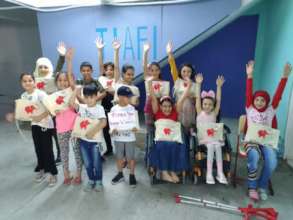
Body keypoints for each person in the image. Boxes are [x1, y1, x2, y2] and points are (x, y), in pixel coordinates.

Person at [245, 60, 292, 201]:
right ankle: (252, 186)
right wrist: (249, 76)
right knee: (253, 157)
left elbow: (278, 95)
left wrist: (284, 77)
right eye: (257, 100)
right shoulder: (250, 108)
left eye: (262, 101)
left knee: (272, 161)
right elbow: (248, 92)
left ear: (267, 102)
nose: (259, 102)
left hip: (266, 142)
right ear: (253, 101)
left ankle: (262, 186)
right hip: (251, 141)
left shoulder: (271, 110)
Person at [148, 77, 190, 183]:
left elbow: (183, 97)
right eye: (164, 106)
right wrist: (149, 83)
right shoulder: (157, 112)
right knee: (162, 145)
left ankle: (172, 171)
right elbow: (153, 98)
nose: (167, 108)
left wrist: (189, 85)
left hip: (172, 139)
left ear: (172, 106)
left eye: (169, 106)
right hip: (161, 140)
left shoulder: (175, 112)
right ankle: (164, 172)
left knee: (177, 146)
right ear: (160, 106)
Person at [69, 85, 107, 192]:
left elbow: (104, 122)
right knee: (87, 163)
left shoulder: (99, 108)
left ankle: (99, 181)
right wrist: (75, 91)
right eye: (86, 97)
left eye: (91, 97)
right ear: (83, 97)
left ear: (96, 96)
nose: (89, 100)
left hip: (96, 142)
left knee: (96, 163)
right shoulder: (82, 107)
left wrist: (92, 132)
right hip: (83, 141)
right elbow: (71, 103)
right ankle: (91, 180)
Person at [195, 73, 228, 185]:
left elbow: (218, 100)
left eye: (210, 104)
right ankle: (209, 173)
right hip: (203, 138)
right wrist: (199, 84)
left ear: (213, 106)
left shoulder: (214, 113)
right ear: (202, 104)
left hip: (213, 138)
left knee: (218, 146)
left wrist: (218, 87)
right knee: (210, 146)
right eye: (205, 104)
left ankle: (219, 172)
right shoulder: (200, 111)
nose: (207, 106)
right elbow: (197, 98)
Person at [110, 86, 139, 187]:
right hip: (118, 138)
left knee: (130, 158)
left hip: (130, 137)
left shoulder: (131, 108)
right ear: (120, 97)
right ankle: (120, 174)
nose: (130, 99)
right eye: (128, 97)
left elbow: (135, 124)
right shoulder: (114, 109)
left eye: (130, 97)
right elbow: (112, 124)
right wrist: (112, 130)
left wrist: (135, 128)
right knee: (119, 157)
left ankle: (132, 174)